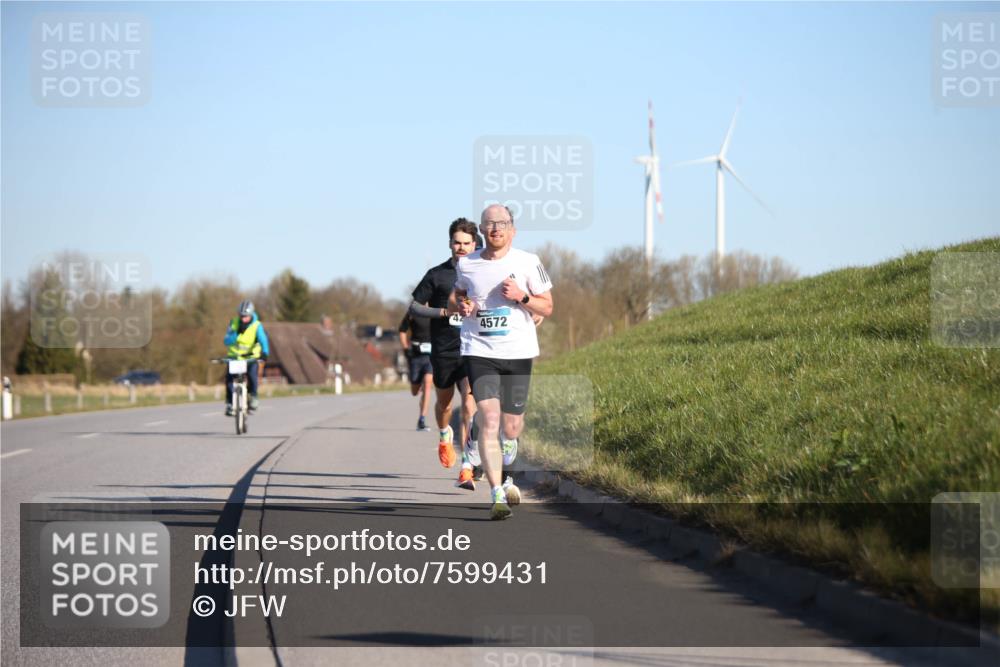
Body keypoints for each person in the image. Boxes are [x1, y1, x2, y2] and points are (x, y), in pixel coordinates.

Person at [449, 204, 553, 520]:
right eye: (490, 223)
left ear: (512, 229)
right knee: (489, 419)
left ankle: (510, 445)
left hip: (518, 352)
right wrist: (462, 305)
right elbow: (457, 296)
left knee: (511, 425)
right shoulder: (466, 264)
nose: (496, 228)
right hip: (479, 351)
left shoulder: (529, 262)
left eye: (502, 223)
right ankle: (496, 494)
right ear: (481, 229)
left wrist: (522, 297)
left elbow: (547, 306)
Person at [409, 218, 481, 483]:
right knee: (445, 404)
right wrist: (443, 312)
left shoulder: (482, 272)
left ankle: (467, 467)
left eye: (466, 243)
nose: (461, 248)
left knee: (470, 407)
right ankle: (444, 435)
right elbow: (414, 306)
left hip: (473, 348)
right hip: (444, 350)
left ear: (475, 244)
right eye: (457, 243)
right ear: (450, 243)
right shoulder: (437, 275)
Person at [223, 300, 270, 415]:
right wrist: (235, 334)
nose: (243, 318)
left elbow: (263, 340)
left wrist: (265, 353)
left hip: (250, 358)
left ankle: (253, 397)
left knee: (252, 377)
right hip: (234, 358)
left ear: (251, 315)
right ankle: (230, 404)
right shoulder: (233, 323)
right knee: (229, 380)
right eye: (242, 316)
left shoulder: (256, 325)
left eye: (246, 316)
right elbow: (226, 341)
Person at [398, 311, 434, 431]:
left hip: (431, 356)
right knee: (414, 391)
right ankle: (420, 389)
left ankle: (422, 419)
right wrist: (405, 347)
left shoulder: (437, 310)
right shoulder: (413, 312)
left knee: (428, 383)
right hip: (416, 356)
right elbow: (402, 330)